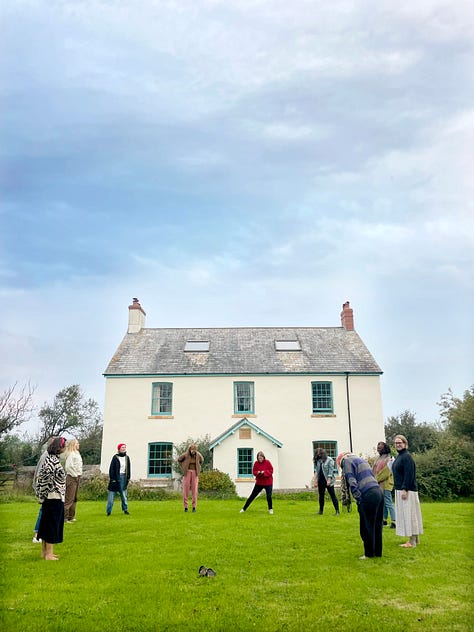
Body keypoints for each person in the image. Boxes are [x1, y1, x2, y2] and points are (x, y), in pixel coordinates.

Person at [336, 452, 384, 559]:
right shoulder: (360, 460)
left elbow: (351, 480)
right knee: (377, 525)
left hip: (367, 493)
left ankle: (368, 554)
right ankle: (377, 553)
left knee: (366, 526)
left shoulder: (347, 462)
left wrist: (358, 498)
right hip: (378, 491)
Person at [35, 436, 67, 561]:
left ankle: (44, 552)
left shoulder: (50, 459)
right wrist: (41, 496)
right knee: (52, 525)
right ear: (60, 448)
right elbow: (45, 481)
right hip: (53, 497)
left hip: (51, 497)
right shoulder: (53, 462)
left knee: (46, 524)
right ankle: (49, 554)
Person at [392, 434, 423, 548]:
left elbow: (409, 474)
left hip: (407, 490)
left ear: (405, 444)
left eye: (400, 442)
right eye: (396, 443)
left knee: (410, 515)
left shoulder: (406, 457)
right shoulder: (400, 456)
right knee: (409, 514)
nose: (398, 445)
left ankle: (412, 542)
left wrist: (405, 489)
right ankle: (415, 539)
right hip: (400, 489)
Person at [32, 437, 55, 543]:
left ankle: (42, 533)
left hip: (48, 488)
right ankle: (37, 534)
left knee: (46, 511)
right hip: (44, 489)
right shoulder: (45, 457)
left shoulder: (49, 456)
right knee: (43, 511)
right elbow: (40, 475)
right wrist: (40, 492)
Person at [372, 441, 396, 529]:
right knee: (383, 503)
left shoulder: (389, 459)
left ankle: (394, 521)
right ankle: (384, 520)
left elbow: (386, 472)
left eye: (380, 447)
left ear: (385, 448)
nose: (378, 449)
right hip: (378, 484)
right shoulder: (378, 458)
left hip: (386, 484)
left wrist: (375, 479)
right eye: (378, 447)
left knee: (388, 502)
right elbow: (373, 469)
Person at [178, 443, 204, 512]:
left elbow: (201, 461)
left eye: (194, 450)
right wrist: (183, 466)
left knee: (194, 490)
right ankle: (185, 507)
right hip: (187, 473)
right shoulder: (185, 455)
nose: (193, 451)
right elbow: (179, 460)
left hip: (195, 473)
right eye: (192, 450)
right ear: (189, 449)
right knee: (185, 490)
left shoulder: (198, 455)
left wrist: (198, 467)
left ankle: (194, 507)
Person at [313, 448, 340, 515]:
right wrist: (315, 480)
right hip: (321, 480)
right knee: (321, 496)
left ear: (322, 454)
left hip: (328, 480)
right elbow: (317, 471)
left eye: (319, 454)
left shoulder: (329, 460)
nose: (318, 456)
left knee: (332, 495)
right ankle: (320, 511)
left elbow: (331, 471)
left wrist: (329, 479)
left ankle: (337, 511)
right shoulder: (318, 461)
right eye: (317, 454)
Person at [107, 443, 131, 515]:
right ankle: (109, 511)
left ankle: (125, 509)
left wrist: (128, 478)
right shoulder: (115, 457)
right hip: (115, 478)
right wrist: (113, 479)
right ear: (119, 449)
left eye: (124, 447)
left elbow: (128, 469)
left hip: (123, 477)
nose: (123, 448)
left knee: (123, 495)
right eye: (122, 447)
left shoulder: (127, 458)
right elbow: (111, 469)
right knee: (111, 496)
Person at [64, 439, 83, 523]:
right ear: (73, 445)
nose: (78, 444)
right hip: (72, 477)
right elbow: (68, 467)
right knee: (69, 497)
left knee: (74, 498)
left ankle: (71, 516)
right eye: (77, 443)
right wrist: (75, 475)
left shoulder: (77, 454)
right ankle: (65, 517)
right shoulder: (71, 454)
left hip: (77, 476)